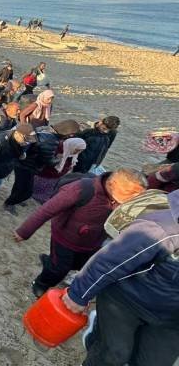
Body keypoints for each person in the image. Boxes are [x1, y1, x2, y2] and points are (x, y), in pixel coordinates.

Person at [63, 189, 179, 366]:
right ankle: (97, 336)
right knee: (114, 356)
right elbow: (111, 259)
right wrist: (79, 294)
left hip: (171, 318)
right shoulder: (162, 228)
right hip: (125, 299)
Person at [14, 168, 148, 298]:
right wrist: (24, 231)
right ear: (112, 184)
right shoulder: (82, 189)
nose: (129, 201)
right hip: (65, 238)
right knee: (59, 269)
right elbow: (47, 210)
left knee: (80, 265)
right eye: (127, 195)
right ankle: (41, 283)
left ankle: (49, 261)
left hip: (94, 241)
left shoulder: (125, 199)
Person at [3, 119, 81, 214]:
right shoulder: (51, 140)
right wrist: (59, 158)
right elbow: (48, 161)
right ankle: (10, 203)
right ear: (69, 133)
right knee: (27, 192)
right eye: (72, 135)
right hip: (27, 166)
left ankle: (15, 199)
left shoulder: (46, 129)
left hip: (24, 161)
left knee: (20, 186)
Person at [31, 137, 87, 203]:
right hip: (46, 174)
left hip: (56, 176)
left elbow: (70, 163)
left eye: (80, 151)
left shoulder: (72, 152)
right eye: (77, 150)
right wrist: (57, 159)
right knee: (37, 188)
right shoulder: (58, 148)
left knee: (46, 191)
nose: (77, 152)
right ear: (73, 145)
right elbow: (47, 160)